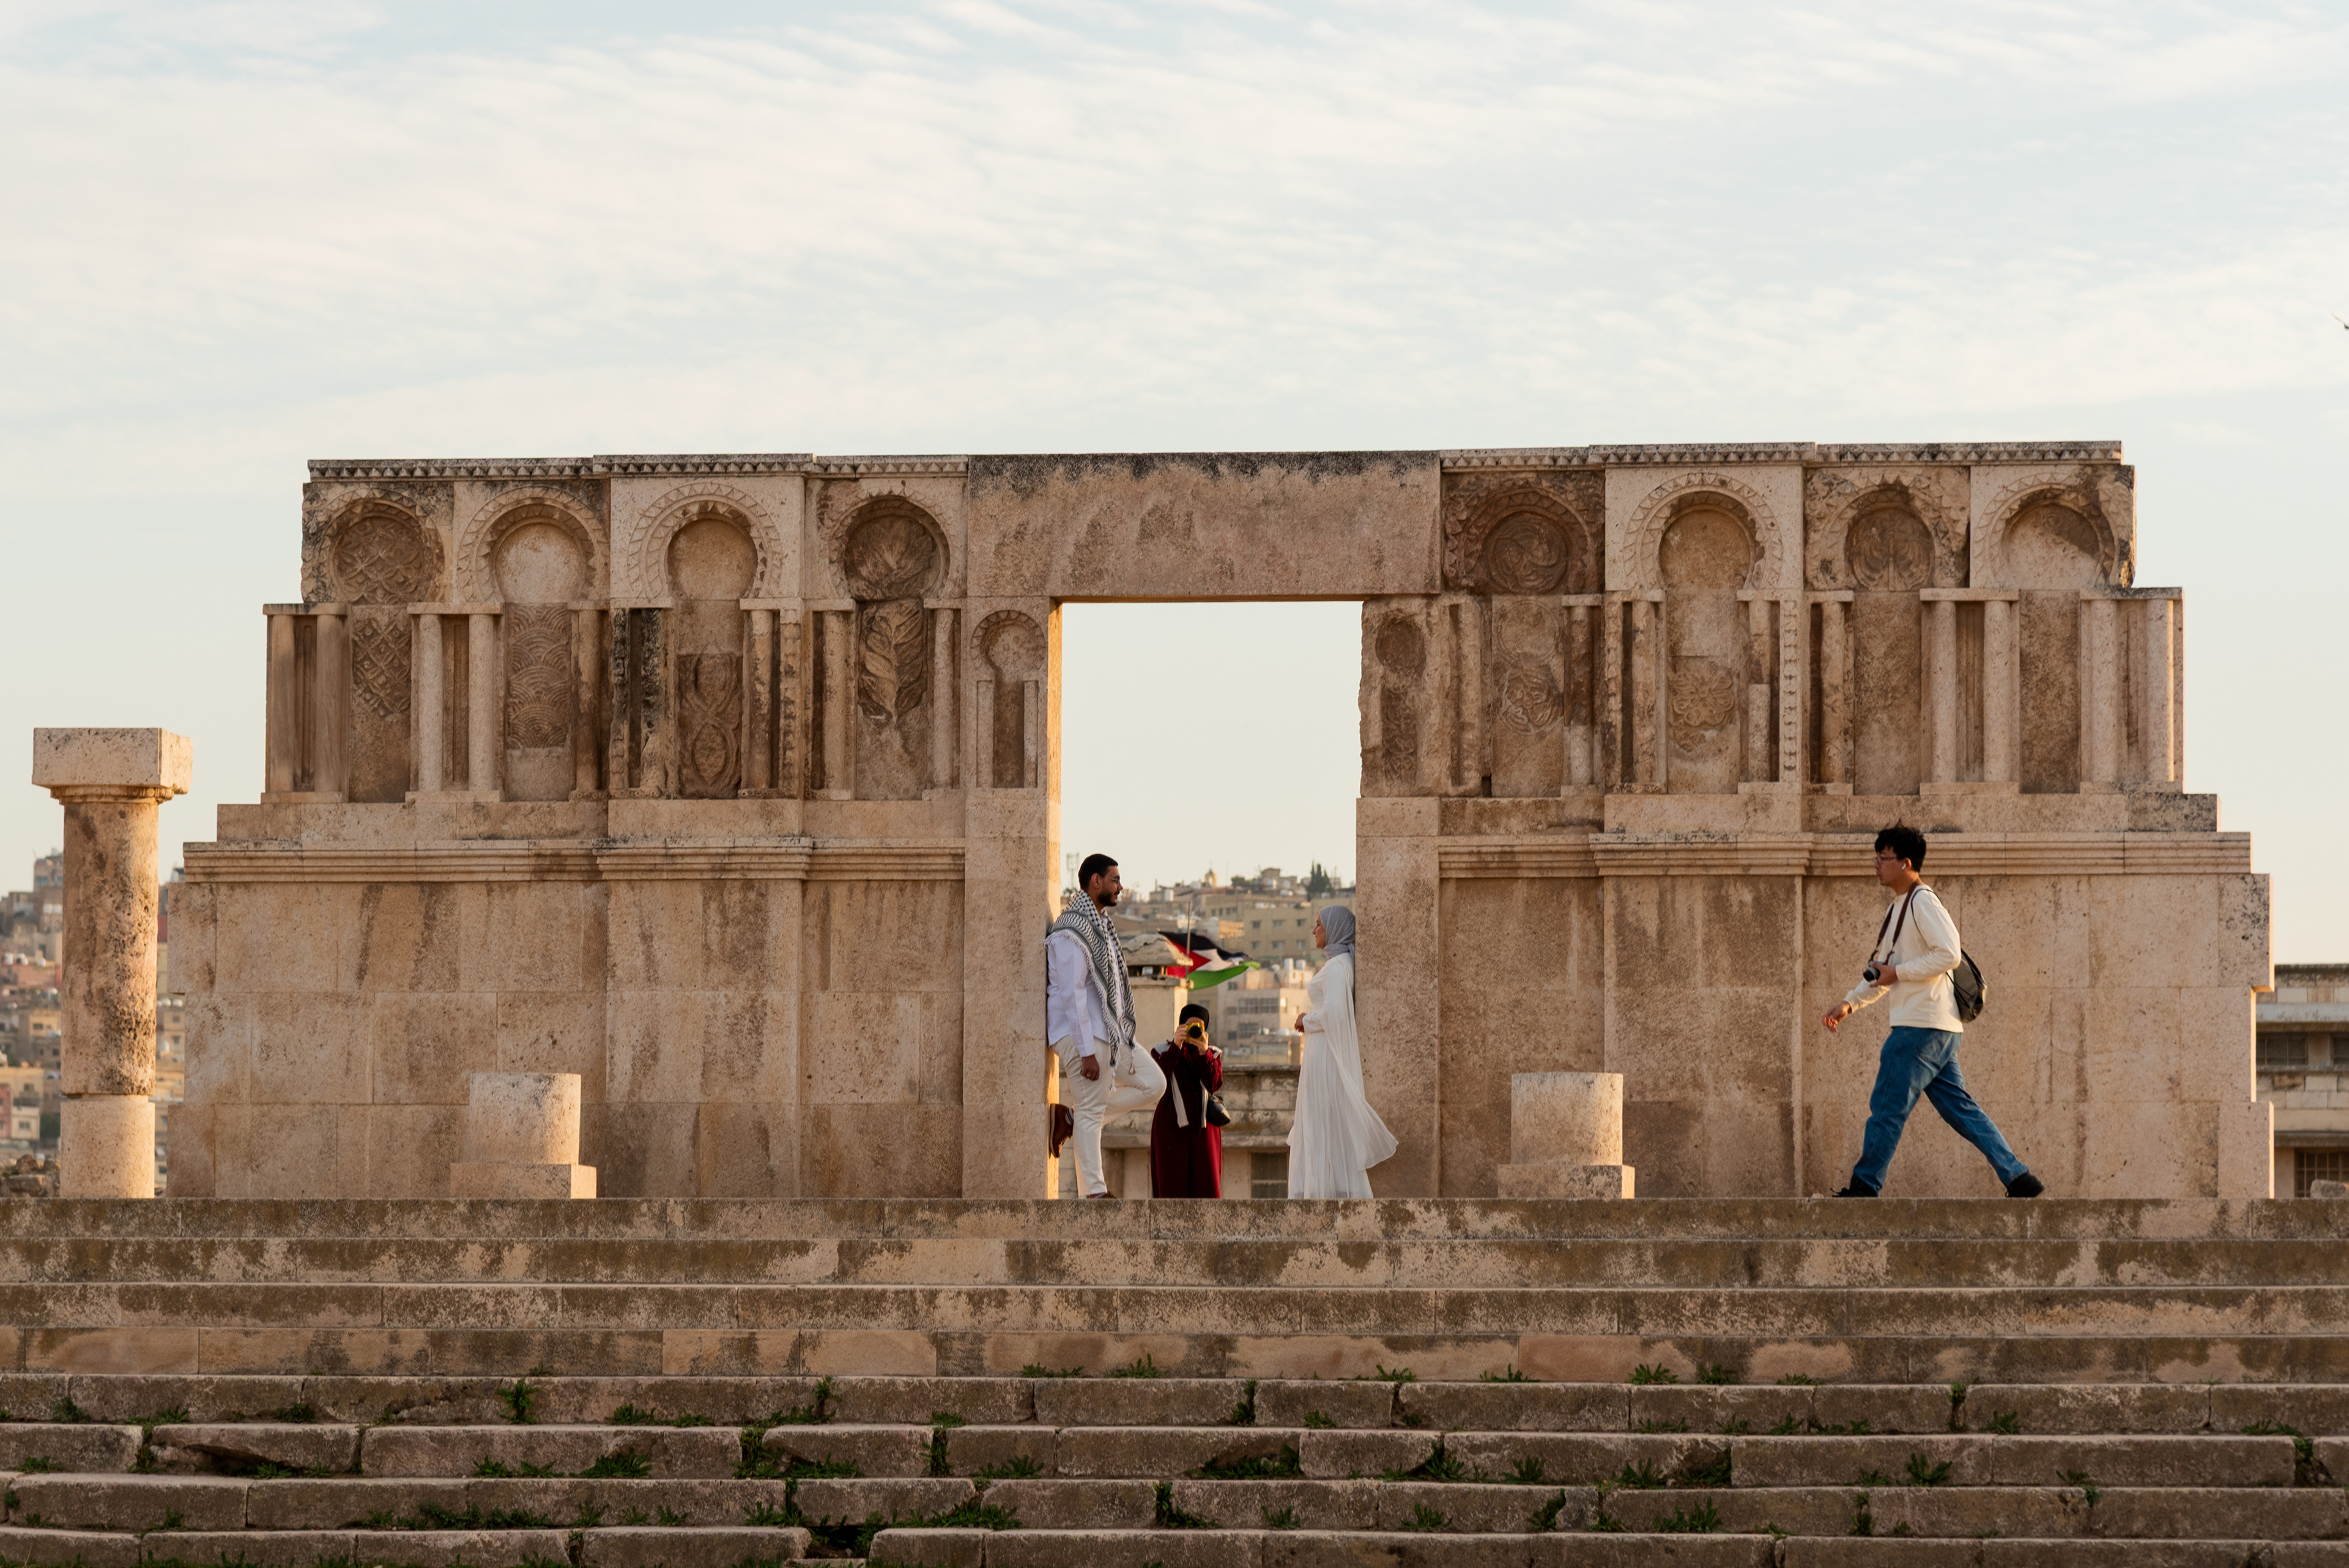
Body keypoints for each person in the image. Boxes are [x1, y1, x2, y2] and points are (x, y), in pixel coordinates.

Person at [1823, 824, 2042, 1198]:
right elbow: (1882, 970)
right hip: (1937, 1026)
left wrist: (1900, 973)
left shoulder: (1923, 901)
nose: (1876, 864)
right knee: (1960, 1109)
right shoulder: (1899, 907)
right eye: (1876, 856)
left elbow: (1948, 953)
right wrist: (1849, 1003)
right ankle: (2019, 1178)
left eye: (1883, 857)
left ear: (1905, 863)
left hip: (1918, 1027)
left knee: (1887, 1105)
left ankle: (1864, 1188)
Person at [1046, 853, 1167, 1198]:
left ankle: (1070, 1117)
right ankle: (1094, 1193)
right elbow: (1072, 996)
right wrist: (1086, 1052)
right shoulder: (1071, 932)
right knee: (1091, 1111)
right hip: (1081, 1035)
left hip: (1111, 1033)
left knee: (1153, 1083)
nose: (1120, 886)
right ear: (1095, 881)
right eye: (1114, 879)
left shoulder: (1102, 927)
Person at [1288, 904, 1397, 1198]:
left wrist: (1305, 1020)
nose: (1314, 930)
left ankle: (1318, 1193)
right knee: (1320, 1120)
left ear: (1334, 929)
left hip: (1324, 1053)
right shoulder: (1339, 965)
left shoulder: (1337, 968)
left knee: (1319, 1120)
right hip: (1322, 1051)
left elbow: (1335, 1014)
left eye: (1319, 925)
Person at [1149, 1003, 1223, 1198]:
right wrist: (1176, 1046)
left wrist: (1204, 1052)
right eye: (1189, 1026)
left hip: (1204, 1128)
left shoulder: (1212, 1054)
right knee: (1171, 1187)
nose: (1194, 1031)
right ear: (1180, 1026)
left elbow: (1214, 1084)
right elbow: (1157, 1080)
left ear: (1205, 1031)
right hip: (1171, 1126)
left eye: (1198, 1027)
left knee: (1207, 1186)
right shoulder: (1162, 1050)